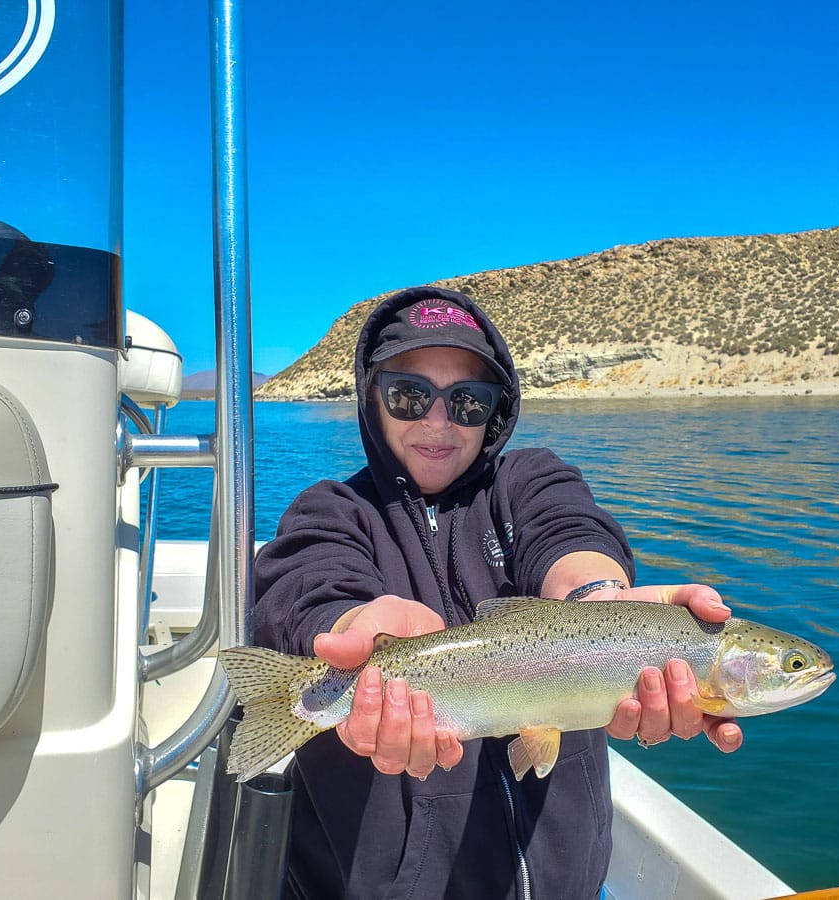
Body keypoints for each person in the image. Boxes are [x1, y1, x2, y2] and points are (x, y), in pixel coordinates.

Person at [253, 286, 743, 899]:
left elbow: (569, 532)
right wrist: (358, 626)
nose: (438, 422)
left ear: (496, 409)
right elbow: (305, 583)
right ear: (371, 400)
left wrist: (597, 597)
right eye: (409, 395)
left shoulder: (531, 479)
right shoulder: (331, 510)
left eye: (466, 401)